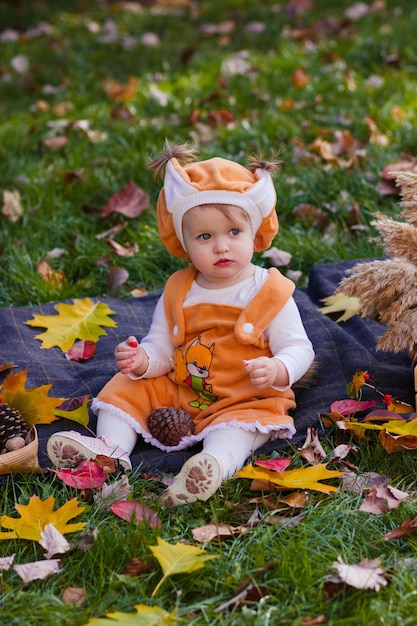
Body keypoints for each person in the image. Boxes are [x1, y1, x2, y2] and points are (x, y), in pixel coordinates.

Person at [47, 142, 315, 507]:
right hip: (181, 387)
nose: (221, 246)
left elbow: (299, 347)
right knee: (125, 388)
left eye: (234, 232)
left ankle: (211, 466)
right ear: (184, 243)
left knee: (239, 429)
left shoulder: (268, 290)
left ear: (255, 233)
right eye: (205, 236)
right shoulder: (179, 288)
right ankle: (108, 452)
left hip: (243, 395)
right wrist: (144, 360)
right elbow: (162, 345)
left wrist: (279, 368)